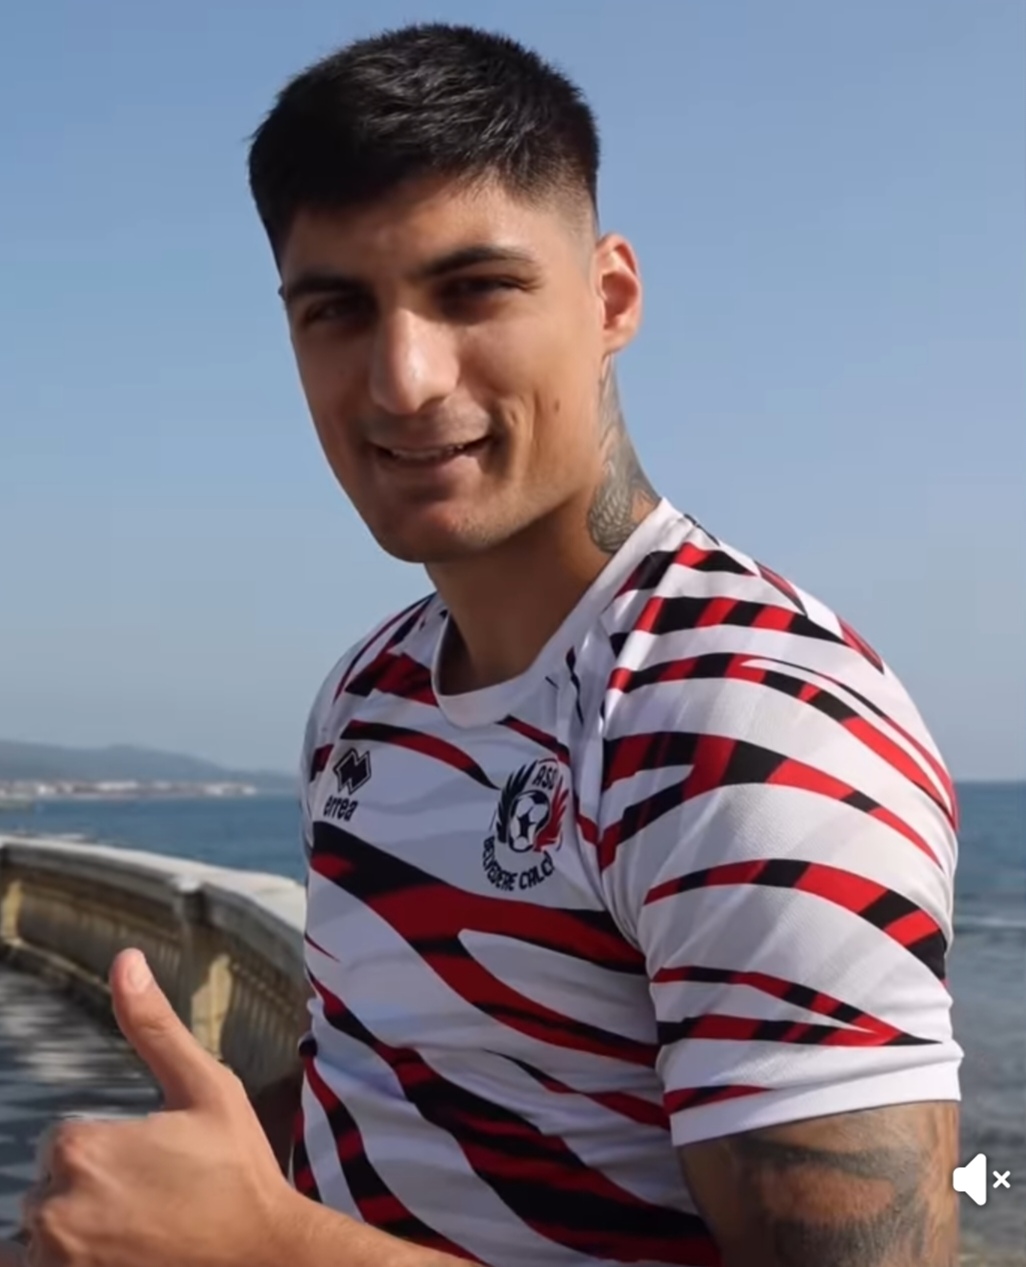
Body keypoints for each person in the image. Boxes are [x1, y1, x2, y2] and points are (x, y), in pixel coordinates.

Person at [9, 21, 962, 1267]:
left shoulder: (747, 723)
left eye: (474, 291)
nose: (403, 379)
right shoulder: (371, 695)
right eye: (337, 310)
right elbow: (390, 1097)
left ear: (610, 300)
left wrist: (271, 1246)